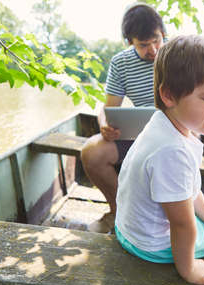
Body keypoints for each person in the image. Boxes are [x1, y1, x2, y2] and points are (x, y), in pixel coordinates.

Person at [114, 35, 204, 285]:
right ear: (169, 95)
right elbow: (182, 223)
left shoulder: (163, 123)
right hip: (148, 244)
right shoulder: (171, 151)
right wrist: (189, 268)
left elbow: (188, 189)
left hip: (127, 229)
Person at [81, 3, 166, 233]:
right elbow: (107, 108)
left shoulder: (177, 55)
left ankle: (162, 222)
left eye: (157, 40)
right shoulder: (121, 63)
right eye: (144, 45)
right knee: (92, 151)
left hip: (175, 136)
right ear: (129, 42)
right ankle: (119, 211)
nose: (154, 50)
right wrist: (104, 124)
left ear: (163, 34)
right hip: (138, 138)